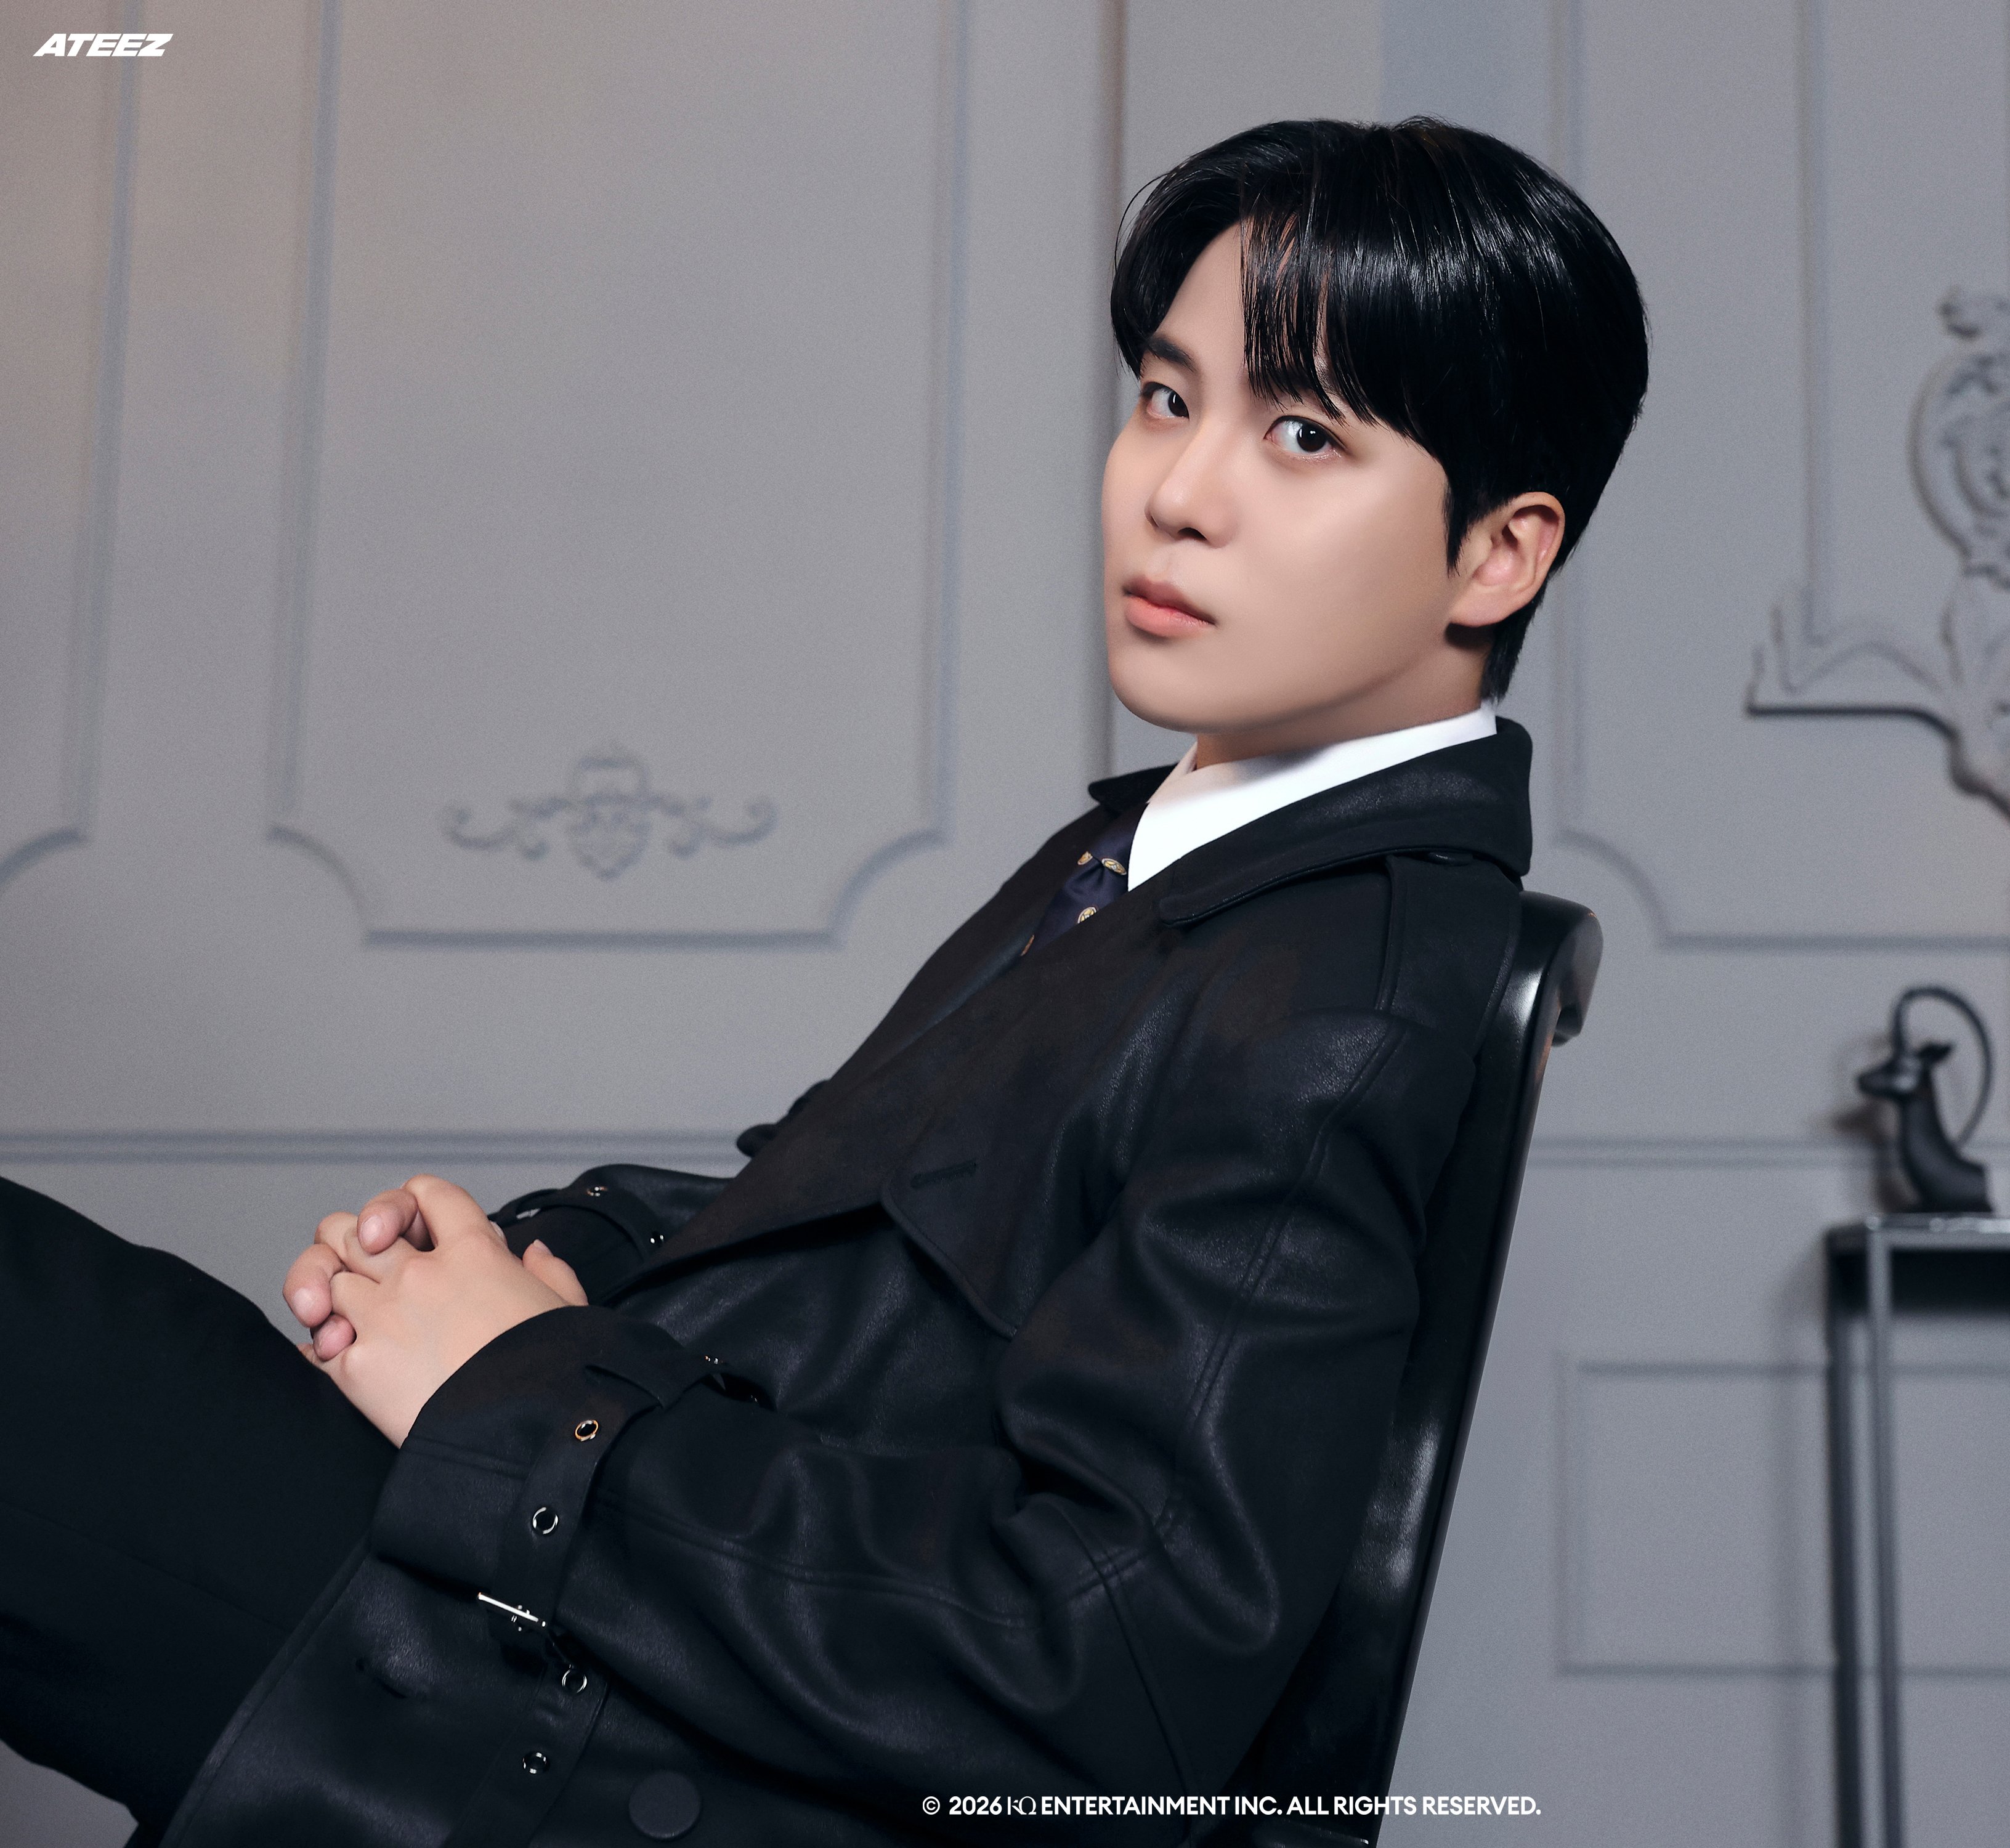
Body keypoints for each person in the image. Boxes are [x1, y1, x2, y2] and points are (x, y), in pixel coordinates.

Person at [0, 116, 1647, 1846]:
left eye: (1303, 434)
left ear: (1498, 553)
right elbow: (868, 1226)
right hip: (599, 1629)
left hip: (602, 1745)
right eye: (1169, 399)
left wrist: (519, 1388)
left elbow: (1101, 1668)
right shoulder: (1174, 848)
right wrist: (549, 1270)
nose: (1177, 490)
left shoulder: (1340, 992)